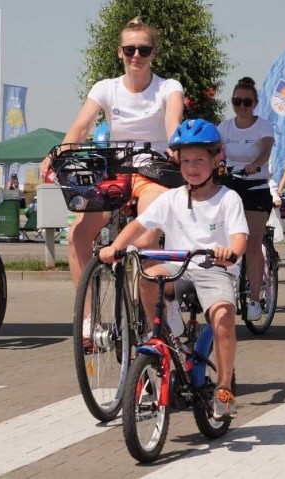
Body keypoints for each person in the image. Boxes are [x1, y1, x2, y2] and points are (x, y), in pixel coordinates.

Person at [40, 16, 184, 339]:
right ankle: (90, 322)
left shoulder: (168, 87)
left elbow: (173, 121)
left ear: (153, 53)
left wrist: (176, 145)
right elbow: (81, 127)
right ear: (120, 52)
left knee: (146, 236)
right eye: (130, 49)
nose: (137, 55)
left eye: (144, 50)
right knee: (78, 234)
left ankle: (165, 303)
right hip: (115, 171)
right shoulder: (106, 88)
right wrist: (56, 153)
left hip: (153, 171)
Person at [99, 119, 247, 419]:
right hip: (178, 267)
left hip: (214, 268)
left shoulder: (227, 199)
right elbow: (140, 224)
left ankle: (224, 388)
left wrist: (230, 253)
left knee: (223, 317)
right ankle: (172, 329)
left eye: (200, 160)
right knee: (146, 273)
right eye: (186, 161)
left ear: (216, 159)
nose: (192, 167)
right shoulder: (171, 198)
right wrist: (116, 246)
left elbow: (239, 239)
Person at [217, 77, 275, 320]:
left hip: (255, 187)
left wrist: (255, 165)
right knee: (221, 241)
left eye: (247, 102)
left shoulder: (263, 127)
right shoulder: (224, 127)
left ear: (255, 103)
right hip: (230, 186)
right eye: (237, 101)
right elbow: (216, 150)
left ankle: (253, 299)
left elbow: (266, 149)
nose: (242, 106)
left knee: (252, 245)